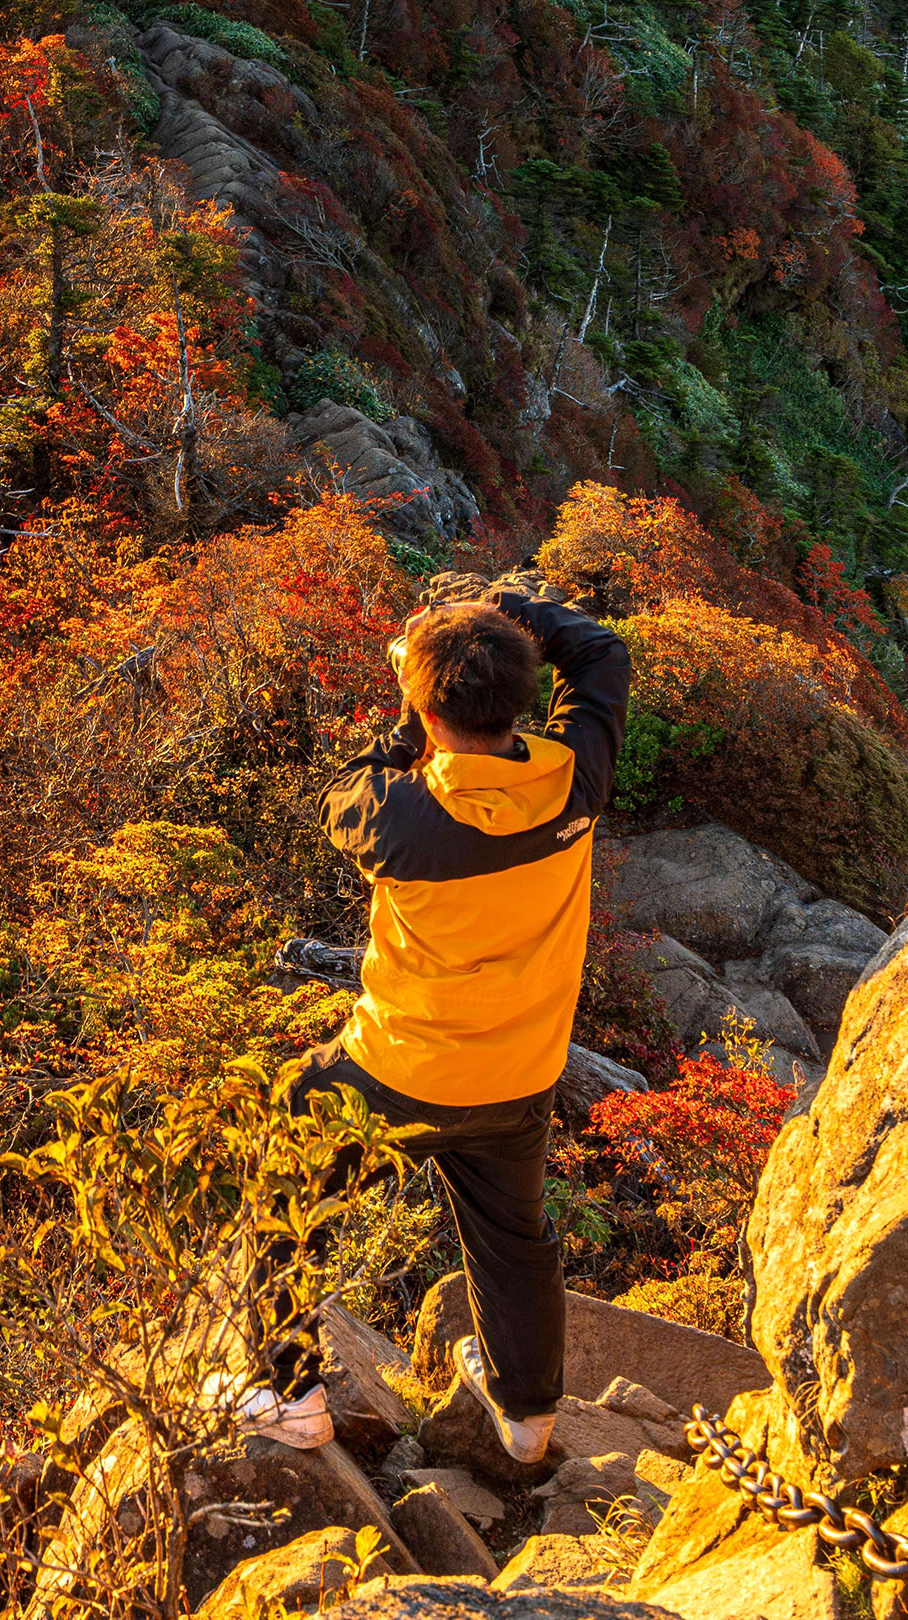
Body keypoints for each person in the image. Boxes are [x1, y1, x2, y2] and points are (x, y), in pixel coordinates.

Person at [225, 581, 629, 1461]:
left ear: (430, 715)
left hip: (400, 1070)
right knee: (514, 1237)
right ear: (524, 695)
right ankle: (527, 1415)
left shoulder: (404, 817)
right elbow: (600, 651)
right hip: (521, 1071)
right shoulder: (575, 779)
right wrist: (507, 607)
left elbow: (343, 788)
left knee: (289, 1169)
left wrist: (414, 698)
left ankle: (287, 1391)